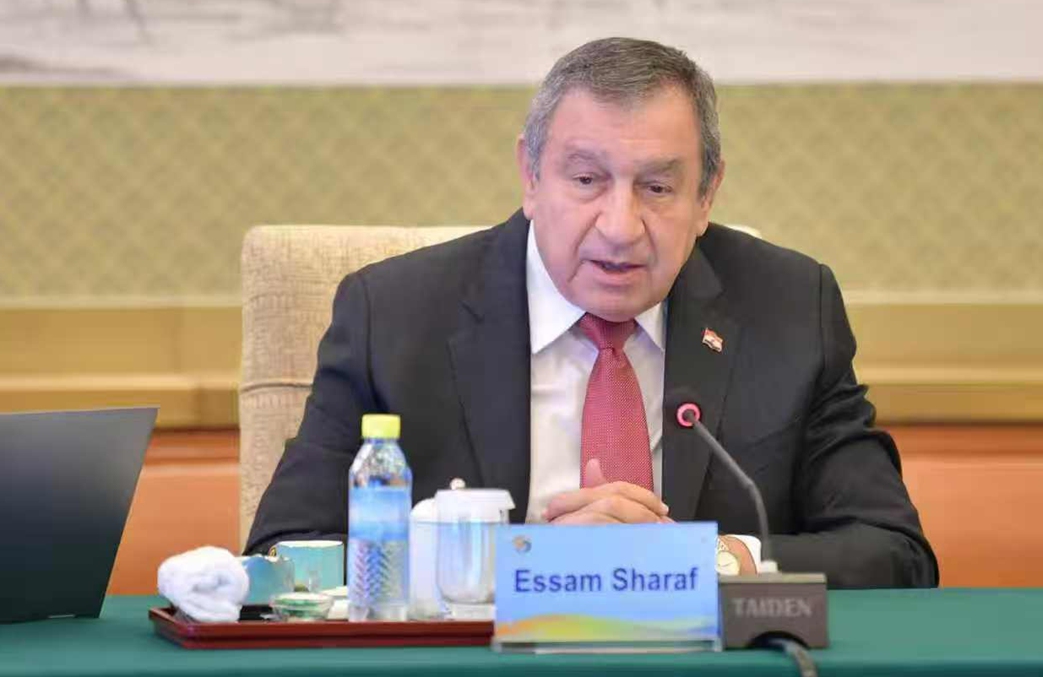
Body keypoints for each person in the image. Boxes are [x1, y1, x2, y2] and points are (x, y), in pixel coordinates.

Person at [246, 37, 938, 588]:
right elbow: (284, 555)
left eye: (658, 188)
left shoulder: (788, 306)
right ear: (530, 176)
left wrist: (704, 559)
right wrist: (526, 561)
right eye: (586, 180)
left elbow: (893, 552)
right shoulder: (395, 315)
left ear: (706, 195)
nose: (619, 227)